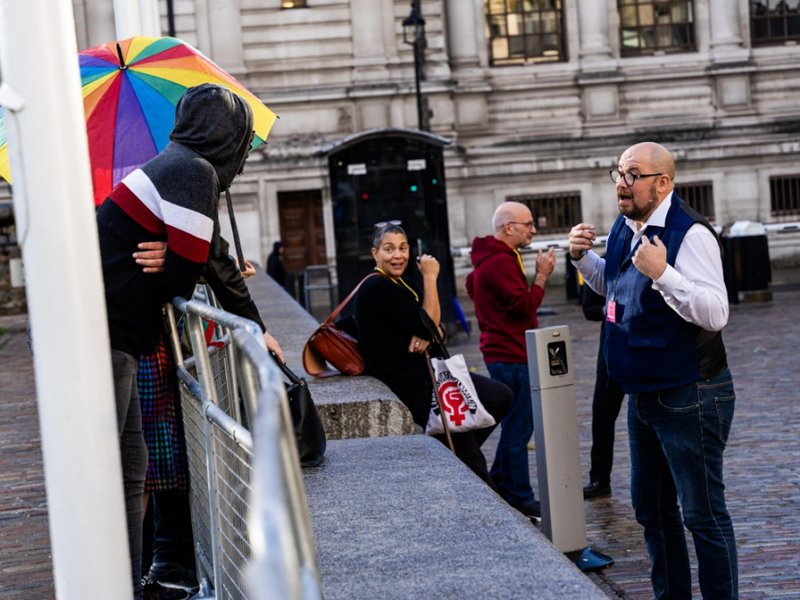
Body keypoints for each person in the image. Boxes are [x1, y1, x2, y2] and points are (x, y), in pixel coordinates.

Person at [96, 83, 256, 600]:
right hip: (109, 336)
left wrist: (173, 255)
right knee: (115, 466)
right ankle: (112, 583)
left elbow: (186, 262)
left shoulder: (176, 162)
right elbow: (183, 279)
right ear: (229, 133)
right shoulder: (194, 171)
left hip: (115, 333)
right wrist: (175, 258)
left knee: (131, 463)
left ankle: (127, 581)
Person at [568, 141, 737, 599]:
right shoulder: (626, 226)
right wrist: (583, 259)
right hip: (642, 394)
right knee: (652, 510)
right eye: (619, 172)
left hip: (692, 393)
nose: (621, 183)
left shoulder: (692, 234)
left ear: (662, 183)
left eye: (633, 174)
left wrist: (664, 273)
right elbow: (615, 286)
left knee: (702, 514)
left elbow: (716, 313)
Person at [352, 222, 512, 485]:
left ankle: (453, 451)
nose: (398, 255)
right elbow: (429, 322)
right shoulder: (378, 287)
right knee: (476, 471)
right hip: (422, 391)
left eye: (403, 248)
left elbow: (435, 328)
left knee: (500, 396)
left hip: (436, 378)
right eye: (389, 249)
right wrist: (430, 278)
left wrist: (430, 330)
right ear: (375, 253)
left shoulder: (400, 283)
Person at [465, 202, 556, 519]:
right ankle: (518, 494)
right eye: (528, 224)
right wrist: (542, 276)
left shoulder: (490, 259)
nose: (533, 229)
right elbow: (523, 307)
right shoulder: (500, 262)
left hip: (502, 350)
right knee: (520, 428)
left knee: (516, 426)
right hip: (512, 353)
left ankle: (501, 482)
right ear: (508, 227)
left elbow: (473, 287)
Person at [580, 284, 625, 499]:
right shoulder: (605, 264)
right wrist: (613, 309)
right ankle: (599, 478)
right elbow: (589, 309)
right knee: (602, 414)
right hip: (612, 349)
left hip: (647, 347)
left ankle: (661, 480)